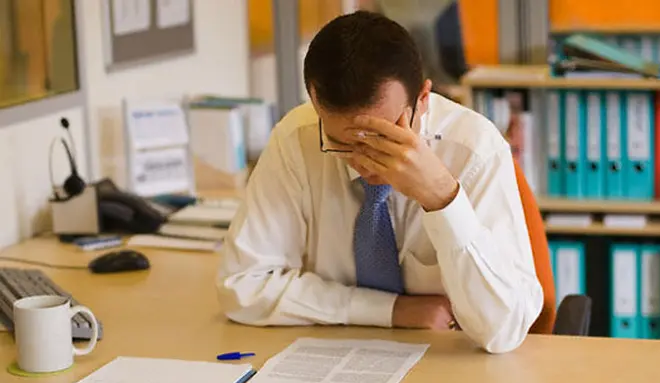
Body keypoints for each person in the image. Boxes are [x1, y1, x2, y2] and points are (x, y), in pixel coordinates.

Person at [217, 11, 543, 354]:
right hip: (333, 358)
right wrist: (389, 311)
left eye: (383, 138)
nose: (364, 161)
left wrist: (443, 199)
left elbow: (503, 330)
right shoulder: (296, 139)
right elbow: (242, 285)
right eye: (343, 143)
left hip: (450, 367)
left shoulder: (474, 150)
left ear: (423, 99)